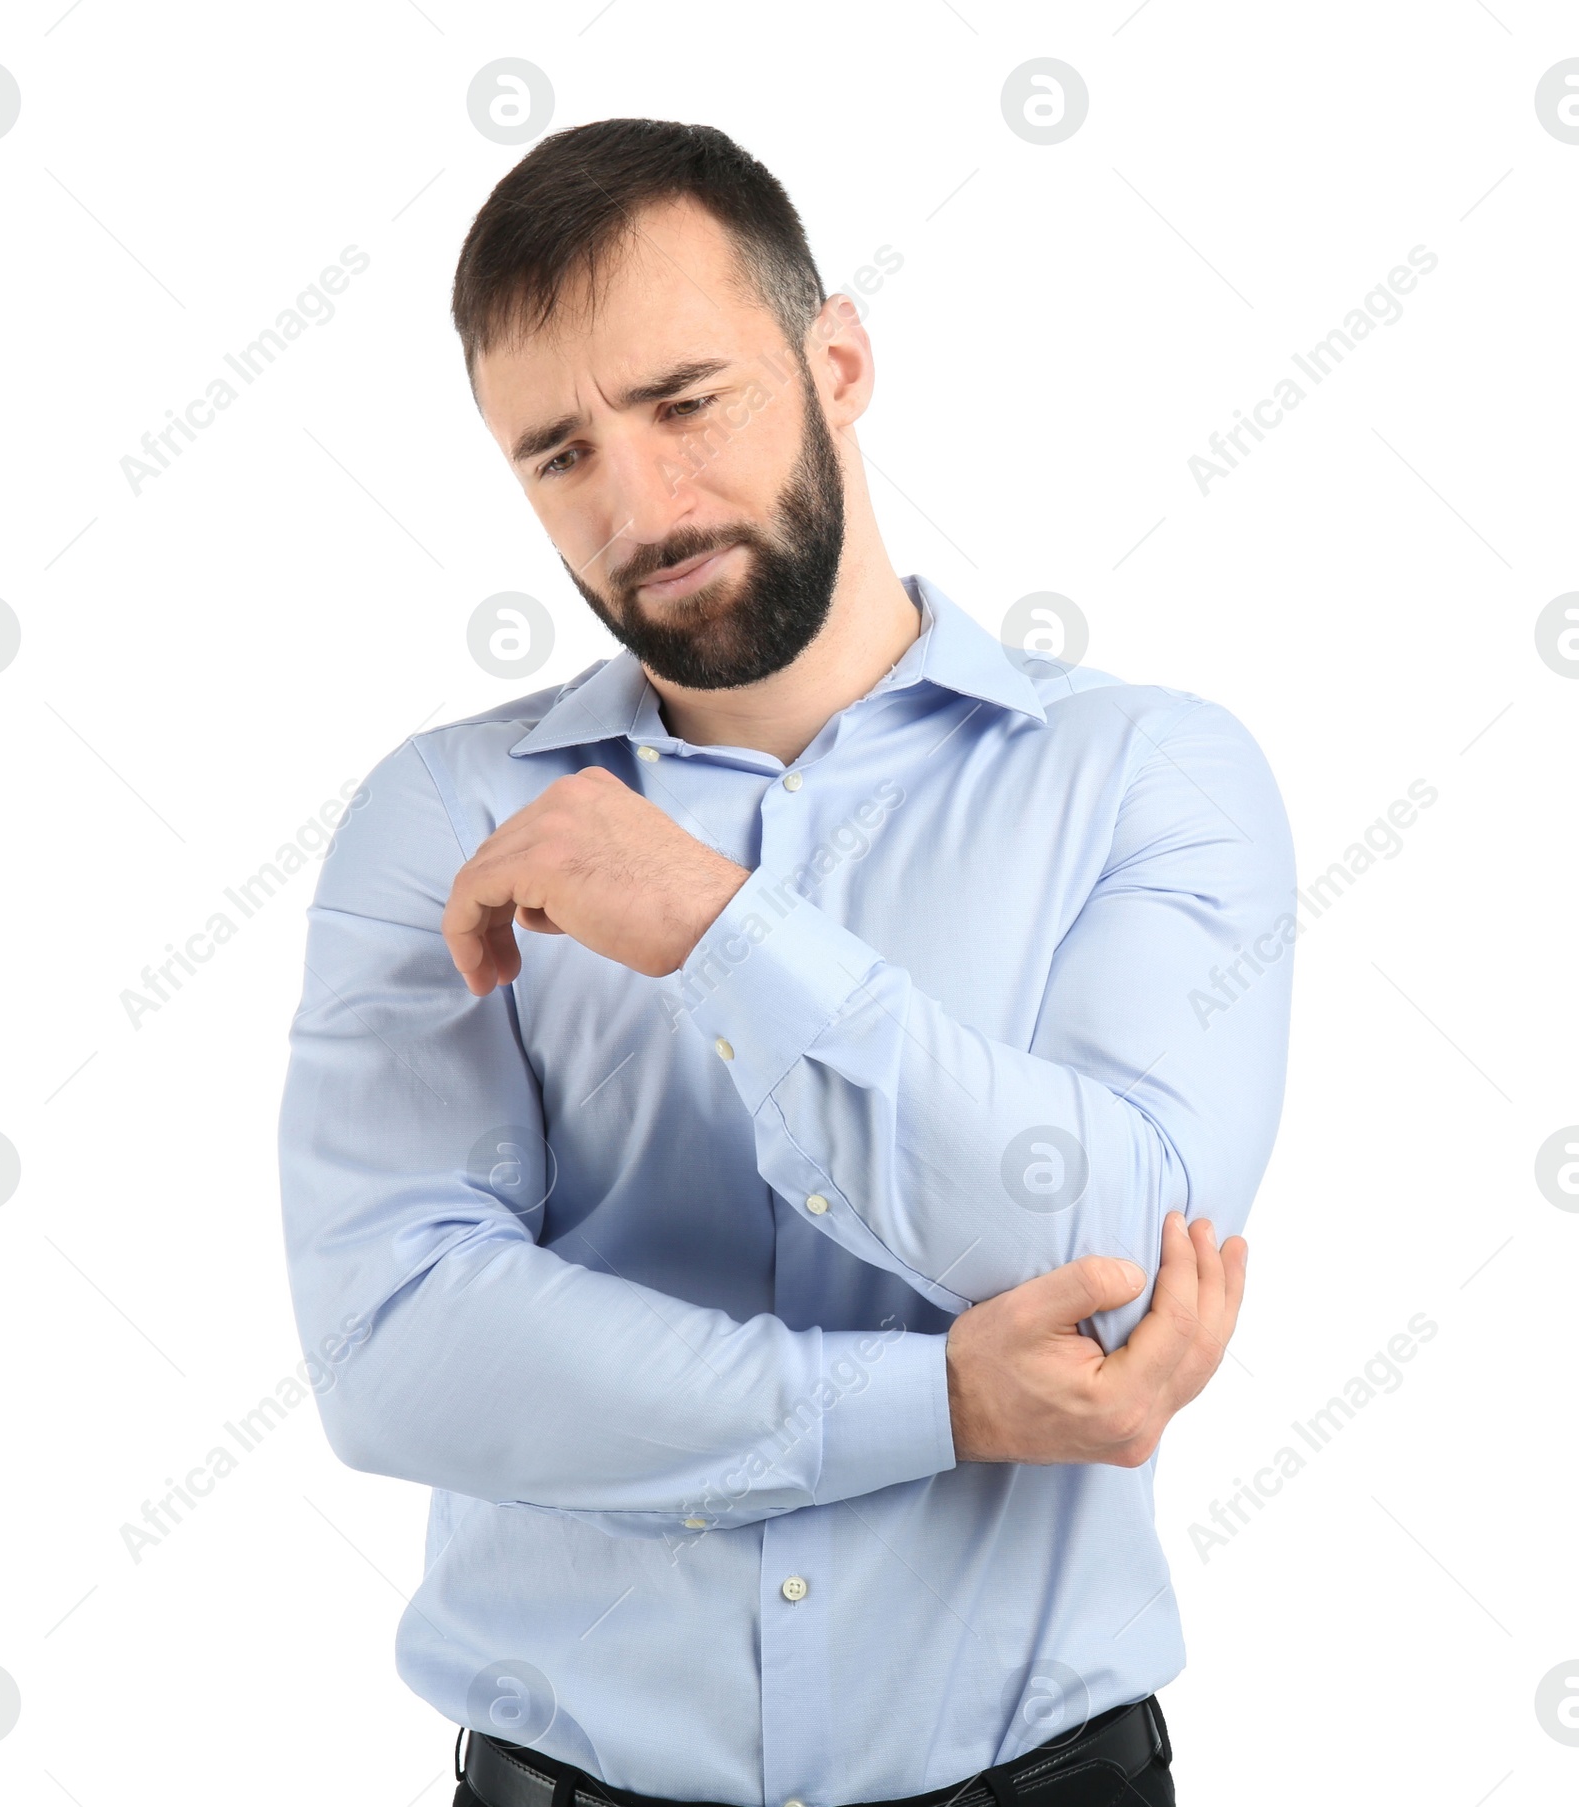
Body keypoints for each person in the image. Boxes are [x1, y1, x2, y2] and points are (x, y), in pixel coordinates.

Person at [277, 118, 1295, 1807]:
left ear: (837, 361)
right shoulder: (445, 816)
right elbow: (394, 1350)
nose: (640, 506)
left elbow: (1118, 1249)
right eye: (559, 454)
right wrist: (937, 1403)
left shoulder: (1149, 774)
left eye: (687, 403)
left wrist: (716, 929)